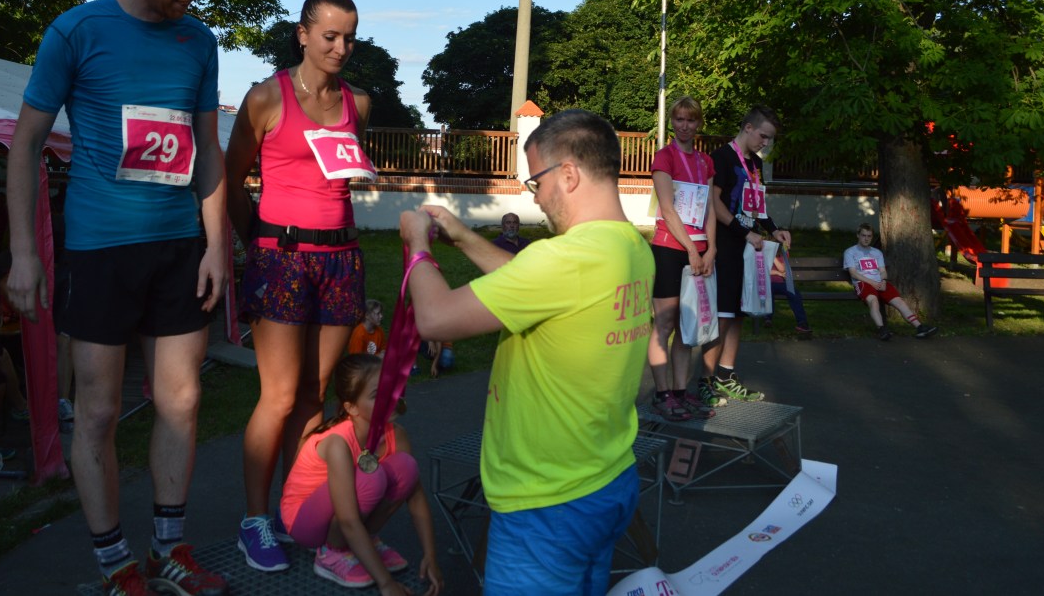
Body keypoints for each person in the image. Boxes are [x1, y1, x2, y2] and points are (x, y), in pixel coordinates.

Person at [5, 0, 228, 596]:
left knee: (181, 400)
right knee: (98, 412)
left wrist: (216, 245)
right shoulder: (76, 31)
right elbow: (25, 144)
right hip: (100, 249)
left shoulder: (200, 41)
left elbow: (207, 149)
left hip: (178, 247)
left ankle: (169, 550)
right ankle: (115, 566)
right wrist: (23, 253)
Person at [399, 108, 654, 595]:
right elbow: (532, 287)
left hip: (546, 501)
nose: (534, 196)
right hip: (607, 478)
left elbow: (435, 318)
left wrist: (417, 246)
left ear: (569, 174)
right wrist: (464, 236)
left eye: (537, 181)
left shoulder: (564, 258)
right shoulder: (630, 247)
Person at [225, 0, 373, 572]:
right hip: (281, 258)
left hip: (342, 259)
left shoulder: (359, 103)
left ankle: (293, 512)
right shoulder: (266, 97)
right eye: (330, 35)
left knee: (314, 394)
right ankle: (253, 520)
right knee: (280, 395)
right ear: (303, 34)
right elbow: (232, 179)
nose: (341, 47)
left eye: (349, 38)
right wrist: (257, 246)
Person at [280, 354, 443, 594]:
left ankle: (364, 541)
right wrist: (386, 583)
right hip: (304, 522)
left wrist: (430, 555)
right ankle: (332, 554)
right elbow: (347, 519)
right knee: (371, 476)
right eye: (377, 395)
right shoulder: (338, 443)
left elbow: (416, 496)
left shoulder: (396, 434)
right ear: (351, 408)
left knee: (406, 467)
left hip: (343, 510)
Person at [705, 106, 792, 405]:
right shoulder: (721, 157)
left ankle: (725, 376)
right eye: (763, 136)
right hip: (725, 244)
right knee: (723, 315)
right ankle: (705, 381)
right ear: (748, 127)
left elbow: (757, 205)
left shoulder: (755, 163)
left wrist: (774, 229)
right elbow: (714, 203)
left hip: (748, 246)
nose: (765, 143)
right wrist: (744, 232)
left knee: (739, 313)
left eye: (770, 139)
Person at [647, 96, 717, 421]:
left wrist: (711, 249)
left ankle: (679, 391)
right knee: (664, 324)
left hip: (699, 251)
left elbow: (710, 209)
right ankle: (662, 394)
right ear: (672, 121)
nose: (685, 126)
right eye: (679, 119)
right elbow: (668, 208)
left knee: (686, 327)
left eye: (691, 120)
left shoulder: (705, 161)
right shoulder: (665, 157)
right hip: (669, 248)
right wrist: (691, 248)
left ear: (698, 123)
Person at [844, 223, 938, 340]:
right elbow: (853, 273)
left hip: (879, 283)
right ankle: (882, 330)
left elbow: (882, 271)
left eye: (869, 236)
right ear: (858, 235)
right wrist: (873, 283)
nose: (866, 238)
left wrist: (883, 280)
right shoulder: (850, 252)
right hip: (862, 283)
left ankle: (920, 327)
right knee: (873, 301)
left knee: (899, 301)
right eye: (863, 235)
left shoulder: (876, 252)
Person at [768, 254, 812, 339]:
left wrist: (773, 257)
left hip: (781, 284)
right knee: (768, 291)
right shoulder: (762, 252)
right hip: (766, 283)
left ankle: (802, 323)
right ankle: (768, 317)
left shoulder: (782, 254)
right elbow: (762, 270)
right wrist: (777, 273)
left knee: (794, 293)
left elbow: (782, 269)